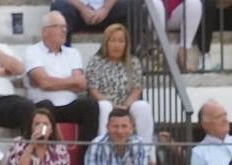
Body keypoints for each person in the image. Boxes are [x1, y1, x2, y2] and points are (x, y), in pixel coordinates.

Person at [24, 10, 97, 143]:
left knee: (90, 106)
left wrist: (52, 82)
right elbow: (44, 83)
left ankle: (88, 155)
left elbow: (80, 84)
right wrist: (70, 82)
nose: (64, 30)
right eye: (59, 27)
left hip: (69, 103)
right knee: (45, 108)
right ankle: (47, 154)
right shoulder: (32, 52)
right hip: (43, 104)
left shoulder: (72, 53)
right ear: (45, 31)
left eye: (65, 27)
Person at [85, 24, 153, 156]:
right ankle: (104, 153)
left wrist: (126, 105)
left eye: (121, 41)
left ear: (126, 44)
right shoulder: (96, 62)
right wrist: (113, 105)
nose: (117, 45)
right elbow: (93, 89)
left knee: (142, 106)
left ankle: (146, 154)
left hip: (127, 104)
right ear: (106, 43)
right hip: (106, 102)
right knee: (104, 107)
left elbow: (136, 88)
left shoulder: (133, 62)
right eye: (113, 40)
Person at [143, 0, 204, 72]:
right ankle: (157, 51)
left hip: (174, 11)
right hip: (150, 14)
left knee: (194, 3)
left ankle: (185, 49)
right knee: (155, 3)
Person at [50, 0, 133, 45]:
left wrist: (105, 9)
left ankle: (133, 56)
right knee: (59, 7)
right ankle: (62, 56)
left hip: (105, 12)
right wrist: (83, 9)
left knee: (133, 5)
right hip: (75, 12)